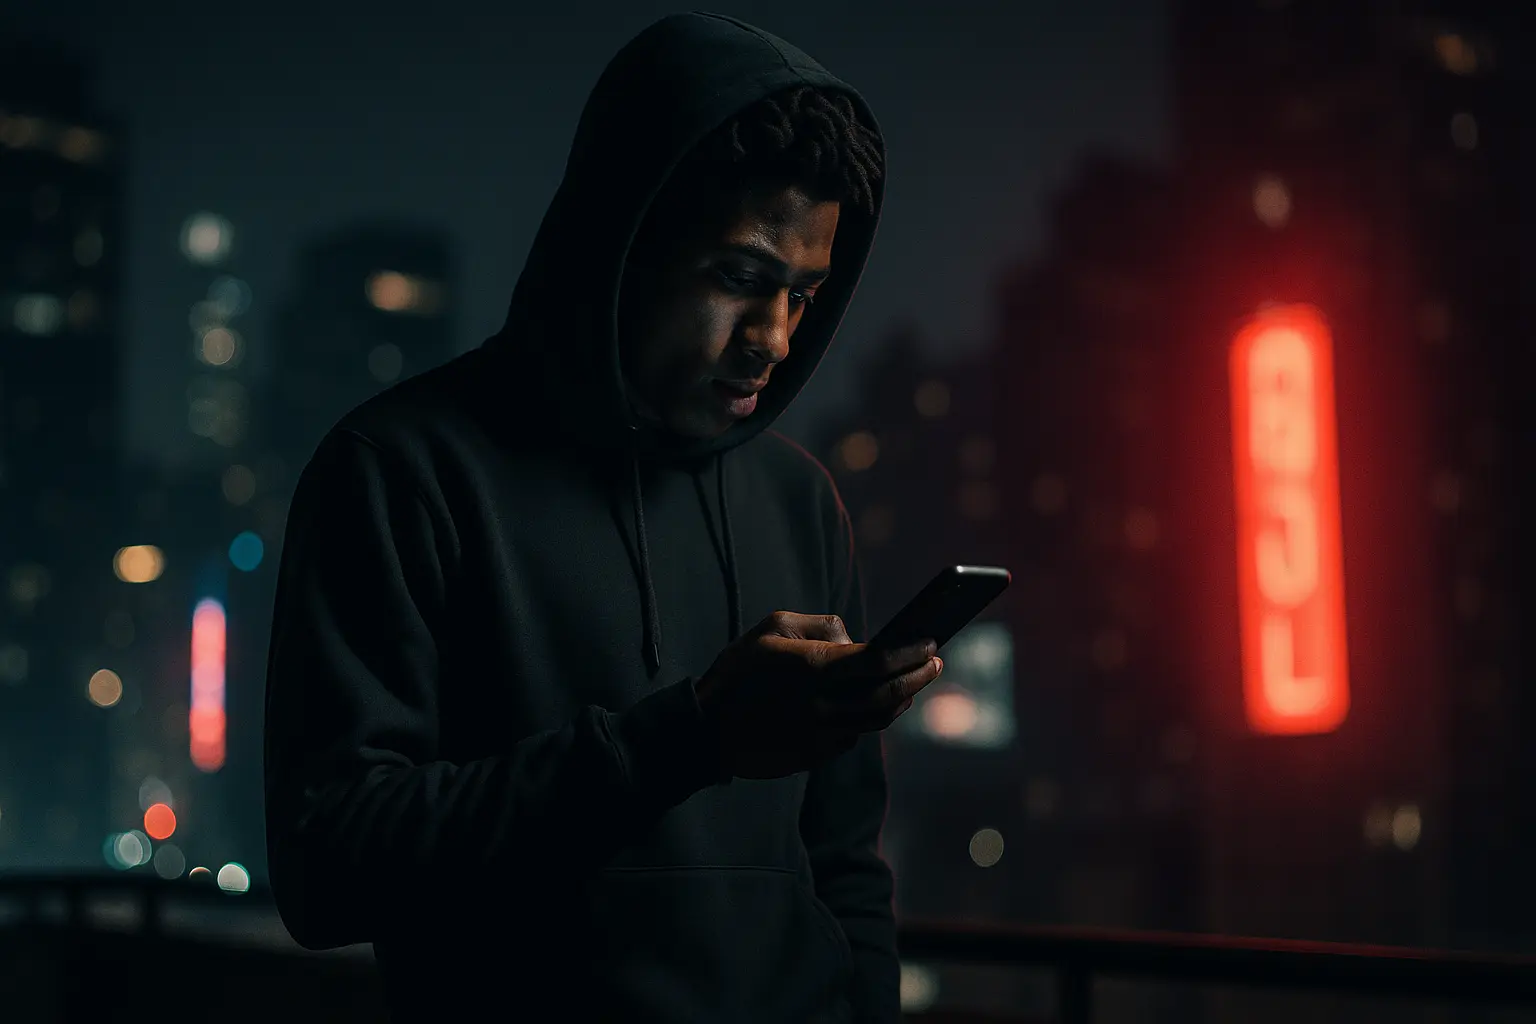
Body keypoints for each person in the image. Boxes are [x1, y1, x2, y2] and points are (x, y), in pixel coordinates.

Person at [263, 12, 943, 1022]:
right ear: (620, 242)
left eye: (806, 293)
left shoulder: (801, 502)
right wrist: (689, 737)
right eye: (743, 280)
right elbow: (329, 868)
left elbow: (844, 865)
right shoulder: (401, 471)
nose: (776, 338)